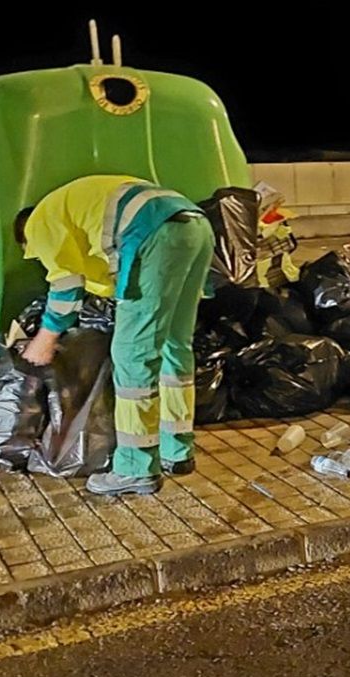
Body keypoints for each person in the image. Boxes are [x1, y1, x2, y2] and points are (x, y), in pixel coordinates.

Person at [16, 174, 214, 496]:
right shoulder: (71, 205)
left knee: (132, 354)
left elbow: (66, 286)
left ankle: (135, 468)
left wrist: (45, 339)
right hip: (195, 225)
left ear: (27, 239)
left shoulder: (40, 223)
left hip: (154, 234)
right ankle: (177, 451)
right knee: (174, 345)